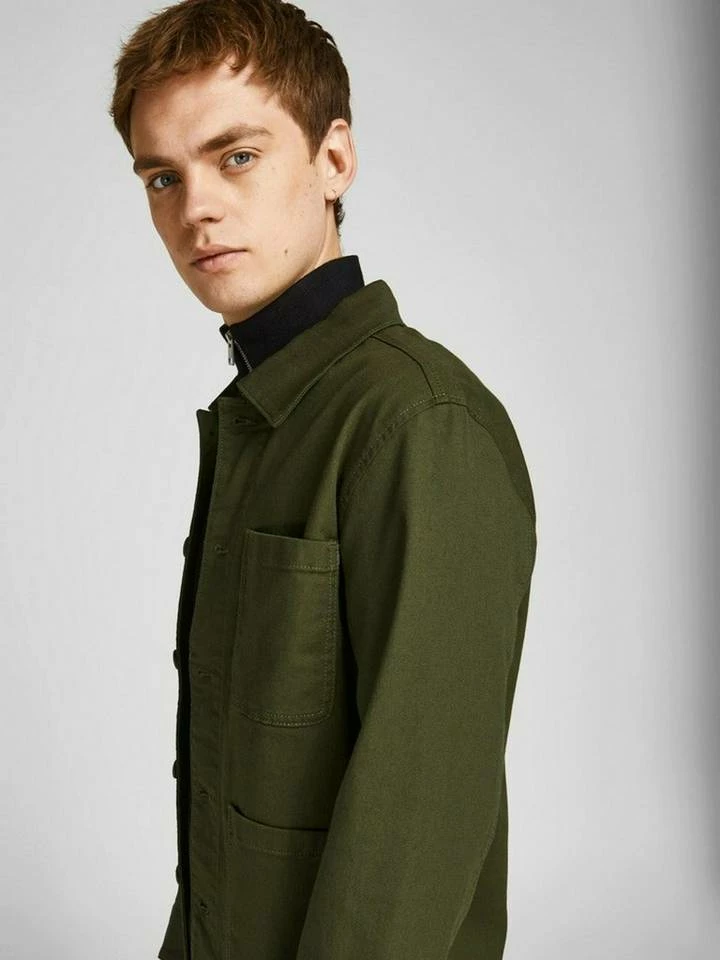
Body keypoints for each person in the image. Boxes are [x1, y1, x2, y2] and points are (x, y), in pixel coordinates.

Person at [108, 2, 538, 958]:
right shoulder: (262, 415)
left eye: (237, 156)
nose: (195, 208)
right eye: (162, 177)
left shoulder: (419, 423)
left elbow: (412, 836)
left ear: (334, 159)